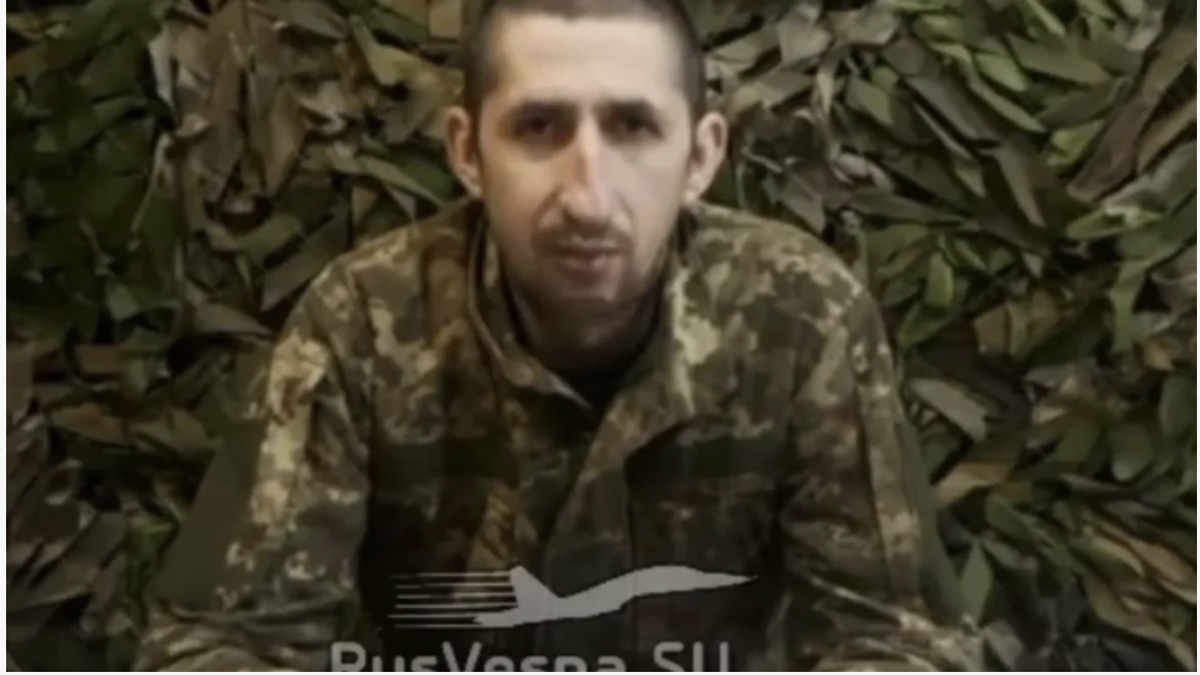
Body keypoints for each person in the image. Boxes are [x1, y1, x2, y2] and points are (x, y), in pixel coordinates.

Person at [134, 0, 983, 670]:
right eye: (539, 127)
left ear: (700, 157)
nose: (586, 195)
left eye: (632, 127)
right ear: (468, 152)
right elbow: (220, 640)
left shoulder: (799, 317)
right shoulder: (362, 322)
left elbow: (902, 637)